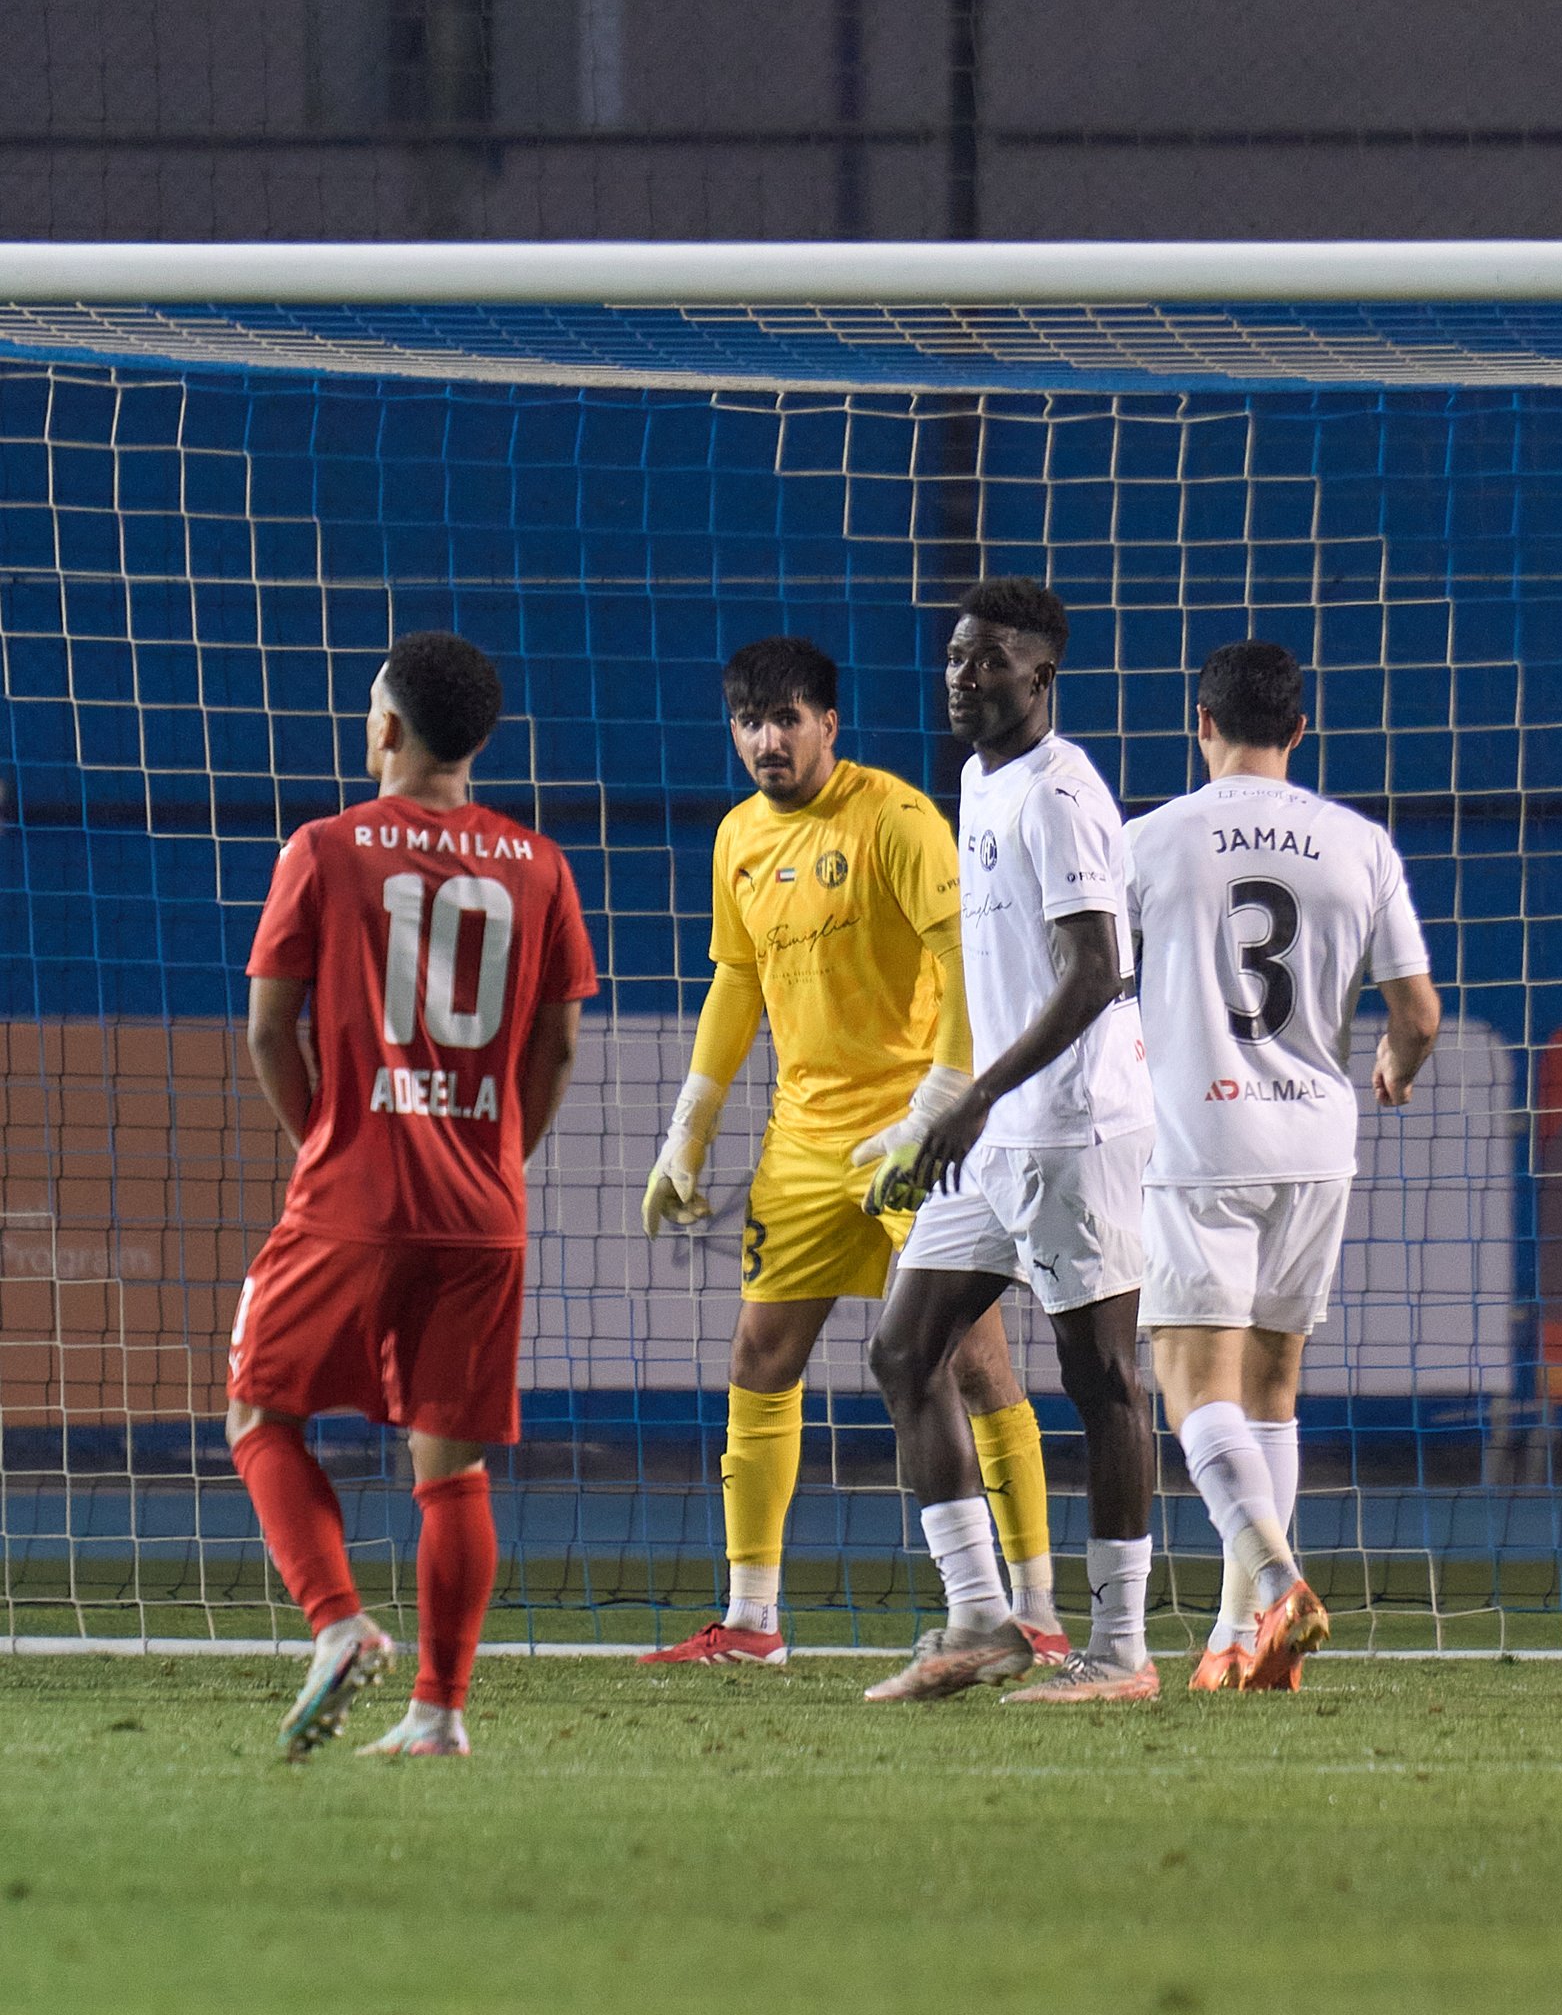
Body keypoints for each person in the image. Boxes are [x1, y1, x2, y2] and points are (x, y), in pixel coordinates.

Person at [639, 635, 1066, 1668]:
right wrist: (689, 1129)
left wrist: (941, 1099)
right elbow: (736, 980)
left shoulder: (898, 820)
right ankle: (751, 1620)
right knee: (759, 1357)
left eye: (786, 720)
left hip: (914, 1140)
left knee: (973, 1360)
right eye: (749, 722)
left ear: (828, 724)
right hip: (802, 1143)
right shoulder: (737, 838)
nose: (767, 741)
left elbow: (962, 956)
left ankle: (1038, 1612)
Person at [227, 631, 597, 1757]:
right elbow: (558, 1045)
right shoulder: (540, 864)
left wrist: (326, 1140)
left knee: (258, 1411)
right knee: (453, 1468)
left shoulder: (325, 848)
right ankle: (439, 1714)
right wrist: (499, 1159)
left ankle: (338, 1623)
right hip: (483, 1212)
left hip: (353, 1192)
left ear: (387, 726)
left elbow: (267, 1029)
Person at [866, 576, 1160, 1707]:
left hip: (1072, 1133)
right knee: (905, 1352)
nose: (961, 676)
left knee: (1101, 1380)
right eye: (955, 656)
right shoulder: (978, 779)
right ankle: (982, 1620)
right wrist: (961, 1102)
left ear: (1043, 674)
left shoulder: (1059, 795)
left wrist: (978, 1096)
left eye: (988, 659)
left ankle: (1121, 1652)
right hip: (994, 1136)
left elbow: (1096, 971)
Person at [1125, 639, 1439, 1691]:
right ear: (1300, 731)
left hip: (1200, 1140)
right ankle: (1235, 1641)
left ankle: (1275, 1583)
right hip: (1315, 1144)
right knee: (1272, 1390)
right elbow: (1419, 1014)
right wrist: (1394, 1064)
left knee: (1190, 1382)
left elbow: (1090, 981)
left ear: (1201, 723)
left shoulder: (1149, 841)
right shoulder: (1359, 844)